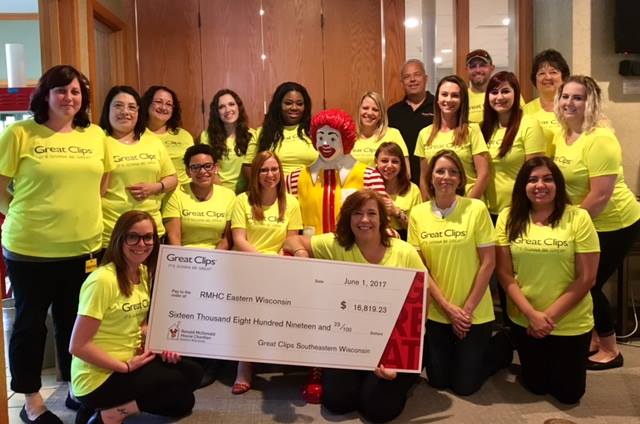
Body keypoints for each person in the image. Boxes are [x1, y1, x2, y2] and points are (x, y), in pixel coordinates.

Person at [0, 65, 109, 424]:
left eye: (76, 91)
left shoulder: (95, 135)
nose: (69, 97)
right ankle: (31, 399)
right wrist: (20, 212)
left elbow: (103, 182)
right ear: (45, 95)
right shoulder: (20, 133)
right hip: (30, 250)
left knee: (74, 322)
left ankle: (75, 387)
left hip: (83, 248)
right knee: (31, 324)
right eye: (61, 90)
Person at [283, 190, 424, 423]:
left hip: (393, 342)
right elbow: (292, 240)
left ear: (382, 219)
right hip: (350, 342)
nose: (364, 220)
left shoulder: (403, 251)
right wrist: (300, 253)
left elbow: (421, 300)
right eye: (357, 213)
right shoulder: (336, 244)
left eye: (372, 213)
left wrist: (397, 357)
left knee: (377, 411)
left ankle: (403, 376)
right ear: (348, 218)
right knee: (337, 403)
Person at [69, 210, 203, 424]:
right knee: (184, 383)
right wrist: (125, 367)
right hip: (100, 376)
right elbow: (78, 346)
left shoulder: (142, 272)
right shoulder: (102, 281)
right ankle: (106, 414)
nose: (142, 244)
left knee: (188, 386)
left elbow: (140, 325)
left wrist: (161, 344)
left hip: (134, 360)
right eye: (133, 237)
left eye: (148, 237)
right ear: (119, 239)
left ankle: (106, 410)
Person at [495, 156, 599, 403]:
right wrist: (532, 315)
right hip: (525, 320)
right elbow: (504, 274)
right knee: (536, 387)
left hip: (569, 322)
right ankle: (502, 345)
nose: (540, 185)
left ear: (558, 184)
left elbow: (587, 278)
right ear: (523, 185)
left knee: (569, 395)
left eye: (547, 179)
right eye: (532, 180)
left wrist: (546, 318)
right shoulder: (508, 217)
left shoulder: (578, 217)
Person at [553, 75, 640, 370]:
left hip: (614, 224)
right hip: (585, 221)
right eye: (566, 96)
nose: (569, 102)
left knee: (588, 284)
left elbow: (600, 196)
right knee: (577, 282)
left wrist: (569, 228)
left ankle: (611, 349)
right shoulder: (563, 133)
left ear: (590, 102)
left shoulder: (600, 138)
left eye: (577, 97)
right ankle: (592, 340)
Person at [408, 150, 496, 395]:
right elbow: (422, 268)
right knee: (438, 380)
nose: (446, 177)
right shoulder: (418, 213)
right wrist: (448, 309)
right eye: (440, 171)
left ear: (460, 179)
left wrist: (465, 312)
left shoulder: (476, 208)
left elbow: (489, 263)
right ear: (431, 177)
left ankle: (499, 348)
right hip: (439, 311)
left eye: (453, 172)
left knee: (465, 387)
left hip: (473, 313)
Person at [231, 151, 303, 393]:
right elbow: (238, 239)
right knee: (249, 307)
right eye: (264, 170)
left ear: (280, 172)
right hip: (248, 264)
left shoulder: (291, 203)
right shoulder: (242, 200)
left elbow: (291, 241)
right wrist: (263, 262)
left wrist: (277, 263)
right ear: (256, 174)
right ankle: (244, 364)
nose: (270, 174)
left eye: (274, 169)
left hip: (279, 265)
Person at [99, 86, 177, 246]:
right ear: (108, 109)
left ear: (138, 112)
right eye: (118, 106)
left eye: (131, 107)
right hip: (114, 233)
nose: (125, 112)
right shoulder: (100, 142)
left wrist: (155, 187)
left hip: (151, 232)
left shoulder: (152, 141)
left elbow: (173, 178)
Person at [287, 109, 385, 236]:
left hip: (354, 247)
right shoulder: (295, 179)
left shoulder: (369, 177)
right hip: (309, 247)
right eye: (320, 137)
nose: (325, 144)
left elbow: (380, 221)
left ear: (345, 140)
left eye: (332, 138)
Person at [481, 71, 546, 219]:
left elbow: (535, 173)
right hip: (486, 211)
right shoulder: (484, 128)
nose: (499, 97)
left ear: (516, 94)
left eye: (505, 91)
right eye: (494, 92)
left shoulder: (529, 125)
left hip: (518, 210)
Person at [414, 75, 490, 200]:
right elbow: (424, 178)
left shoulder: (472, 131)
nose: (448, 100)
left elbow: (484, 175)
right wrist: (428, 205)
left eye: (455, 95)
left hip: (468, 204)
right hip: (438, 205)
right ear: (437, 99)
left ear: (462, 100)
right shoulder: (424, 134)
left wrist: (467, 205)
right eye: (444, 94)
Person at [163, 144, 235, 249]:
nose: (202, 171)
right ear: (188, 171)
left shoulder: (228, 196)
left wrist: (213, 258)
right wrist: (182, 258)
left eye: (208, 166)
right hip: (183, 255)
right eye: (195, 167)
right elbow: (173, 236)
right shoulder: (175, 194)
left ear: (216, 168)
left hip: (217, 255)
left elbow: (227, 238)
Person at [245, 82, 317, 176]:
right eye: (288, 103)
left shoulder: (315, 131)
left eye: (299, 104)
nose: (294, 108)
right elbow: (248, 166)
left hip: (313, 184)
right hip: (274, 185)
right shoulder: (262, 133)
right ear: (278, 105)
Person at [388, 59, 435, 185]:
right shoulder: (392, 113)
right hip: (402, 181)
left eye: (417, 74)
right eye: (407, 77)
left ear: (426, 78)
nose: (412, 79)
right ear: (402, 82)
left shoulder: (439, 108)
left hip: (435, 180)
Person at [200, 89, 255, 193]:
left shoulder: (252, 135)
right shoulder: (206, 136)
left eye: (231, 104)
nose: (227, 109)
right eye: (221, 107)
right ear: (217, 112)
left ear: (238, 107)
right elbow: (209, 170)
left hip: (246, 194)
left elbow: (254, 172)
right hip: (218, 193)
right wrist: (225, 196)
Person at [140, 85, 194, 186]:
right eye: (158, 102)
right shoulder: (136, 135)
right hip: (151, 192)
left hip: (183, 192)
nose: (163, 107)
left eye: (169, 104)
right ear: (147, 103)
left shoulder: (184, 136)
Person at [523, 49, 570, 154]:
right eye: (541, 73)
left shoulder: (572, 108)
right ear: (535, 79)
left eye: (553, 72)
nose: (547, 77)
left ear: (564, 77)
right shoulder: (524, 111)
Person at [351, 91, 410, 173]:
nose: (370, 113)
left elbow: (406, 173)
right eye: (365, 108)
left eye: (375, 110)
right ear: (359, 110)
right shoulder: (348, 135)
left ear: (381, 114)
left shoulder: (393, 134)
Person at [375, 142, 422, 240]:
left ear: (401, 165)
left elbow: (417, 229)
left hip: (404, 241)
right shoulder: (368, 186)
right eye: (384, 161)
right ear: (376, 162)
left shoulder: (413, 190)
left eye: (395, 161)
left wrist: (396, 212)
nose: (389, 165)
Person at [465, 49, 495, 123]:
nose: (477, 70)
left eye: (482, 65)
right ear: (466, 70)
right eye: (472, 66)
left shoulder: (505, 95)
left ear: (492, 68)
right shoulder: (461, 97)